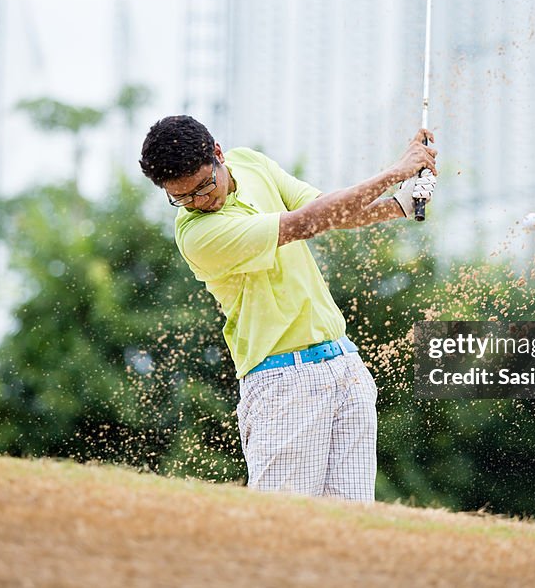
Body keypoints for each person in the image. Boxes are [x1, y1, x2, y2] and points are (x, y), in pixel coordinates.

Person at [138, 115, 437, 502]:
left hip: (345, 367)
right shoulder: (198, 234)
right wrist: (396, 171)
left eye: (203, 186)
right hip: (282, 382)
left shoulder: (249, 162)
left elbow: (326, 208)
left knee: (351, 532)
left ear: (218, 154)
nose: (199, 202)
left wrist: (399, 203)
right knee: (281, 532)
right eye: (182, 197)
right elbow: (306, 223)